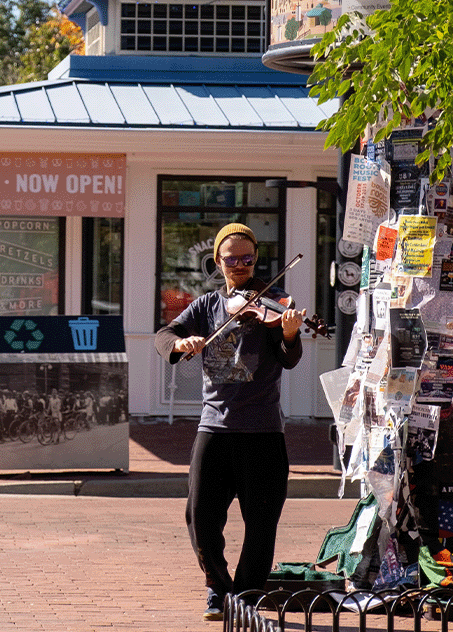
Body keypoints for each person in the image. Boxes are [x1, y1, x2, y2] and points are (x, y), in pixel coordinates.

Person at [154, 223, 306, 622]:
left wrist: (290, 335)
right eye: (231, 258)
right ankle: (218, 589)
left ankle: (248, 595)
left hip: (263, 430)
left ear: (256, 259)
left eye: (248, 259)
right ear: (217, 261)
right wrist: (180, 343)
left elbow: (289, 359)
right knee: (199, 517)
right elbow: (165, 334)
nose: (240, 266)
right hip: (215, 427)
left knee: (261, 522)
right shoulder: (206, 307)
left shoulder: (273, 302)